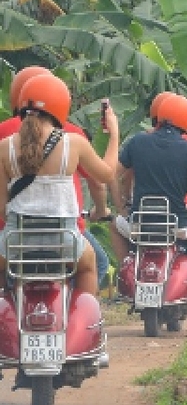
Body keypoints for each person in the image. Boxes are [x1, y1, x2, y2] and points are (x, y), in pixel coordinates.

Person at [0, 75, 119, 295]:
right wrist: (114, 135)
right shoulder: (73, 143)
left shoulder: (4, 147)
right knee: (88, 266)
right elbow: (106, 175)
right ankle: (81, 323)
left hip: (16, 241)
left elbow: (2, 209)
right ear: (60, 106)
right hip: (64, 241)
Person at [110, 94, 187, 275]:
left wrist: (121, 207)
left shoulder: (137, 141)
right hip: (176, 225)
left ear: (158, 116)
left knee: (114, 225)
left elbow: (111, 175)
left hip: (140, 222)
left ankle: (126, 272)